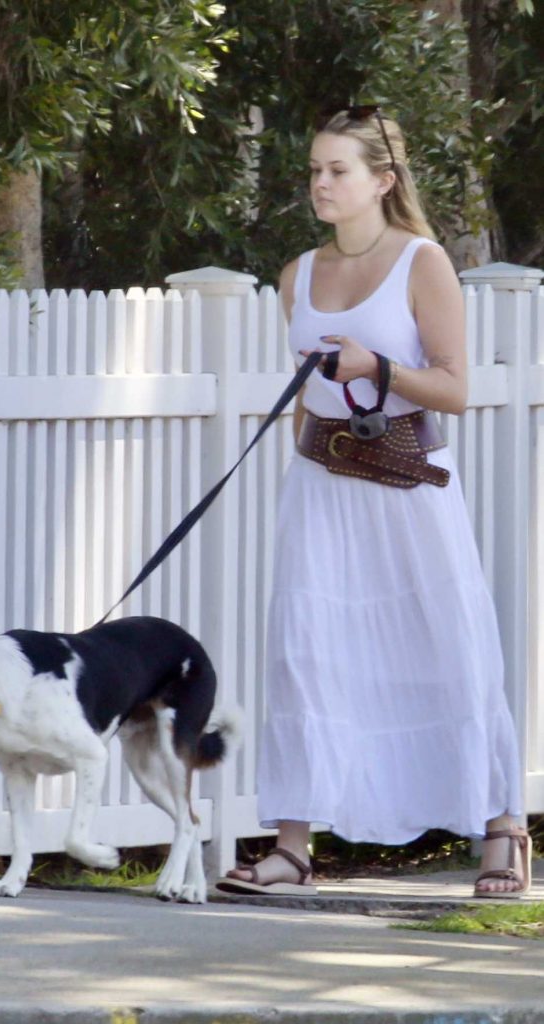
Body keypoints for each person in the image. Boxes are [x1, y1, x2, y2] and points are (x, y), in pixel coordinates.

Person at [218, 107, 531, 899]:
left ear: (382, 182)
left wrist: (377, 366)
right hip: (323, 488)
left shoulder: (421, 262)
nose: (320, 185)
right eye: (315, 171)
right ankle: (293, 845)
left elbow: (457, 390)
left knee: (450, 648)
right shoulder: (298, 274)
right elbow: (306, 392)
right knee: (306, 654)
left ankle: (503, 829)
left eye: (337, 172)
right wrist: (309, 453)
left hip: (408, 486)